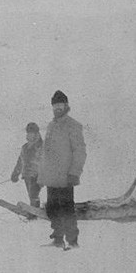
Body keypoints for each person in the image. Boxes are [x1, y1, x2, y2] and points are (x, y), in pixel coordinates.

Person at [38, 90, 86, 250]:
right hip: (51, 177)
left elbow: (80, 152)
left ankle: (72, 241)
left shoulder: (73, 125)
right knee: (52, 208)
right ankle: (58, 239)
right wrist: (42, 174)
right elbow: (47, 152)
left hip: (66, 177)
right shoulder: (51, 125)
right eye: (55, 105)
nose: (57, 108)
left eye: (60, 105)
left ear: (66, 105)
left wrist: (74, 173)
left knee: (66, 209)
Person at [11, 122, 44, 213]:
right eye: (28, 132)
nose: (29, 134)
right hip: (27, 175)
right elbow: (20, 162)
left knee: (34, 194)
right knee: (31, 195)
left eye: (32, 132)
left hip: (37, 174)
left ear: (37, 133)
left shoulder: (42, 146)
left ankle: (34, 213)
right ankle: (35, 211)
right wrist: (15, 173)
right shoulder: (25, 147)